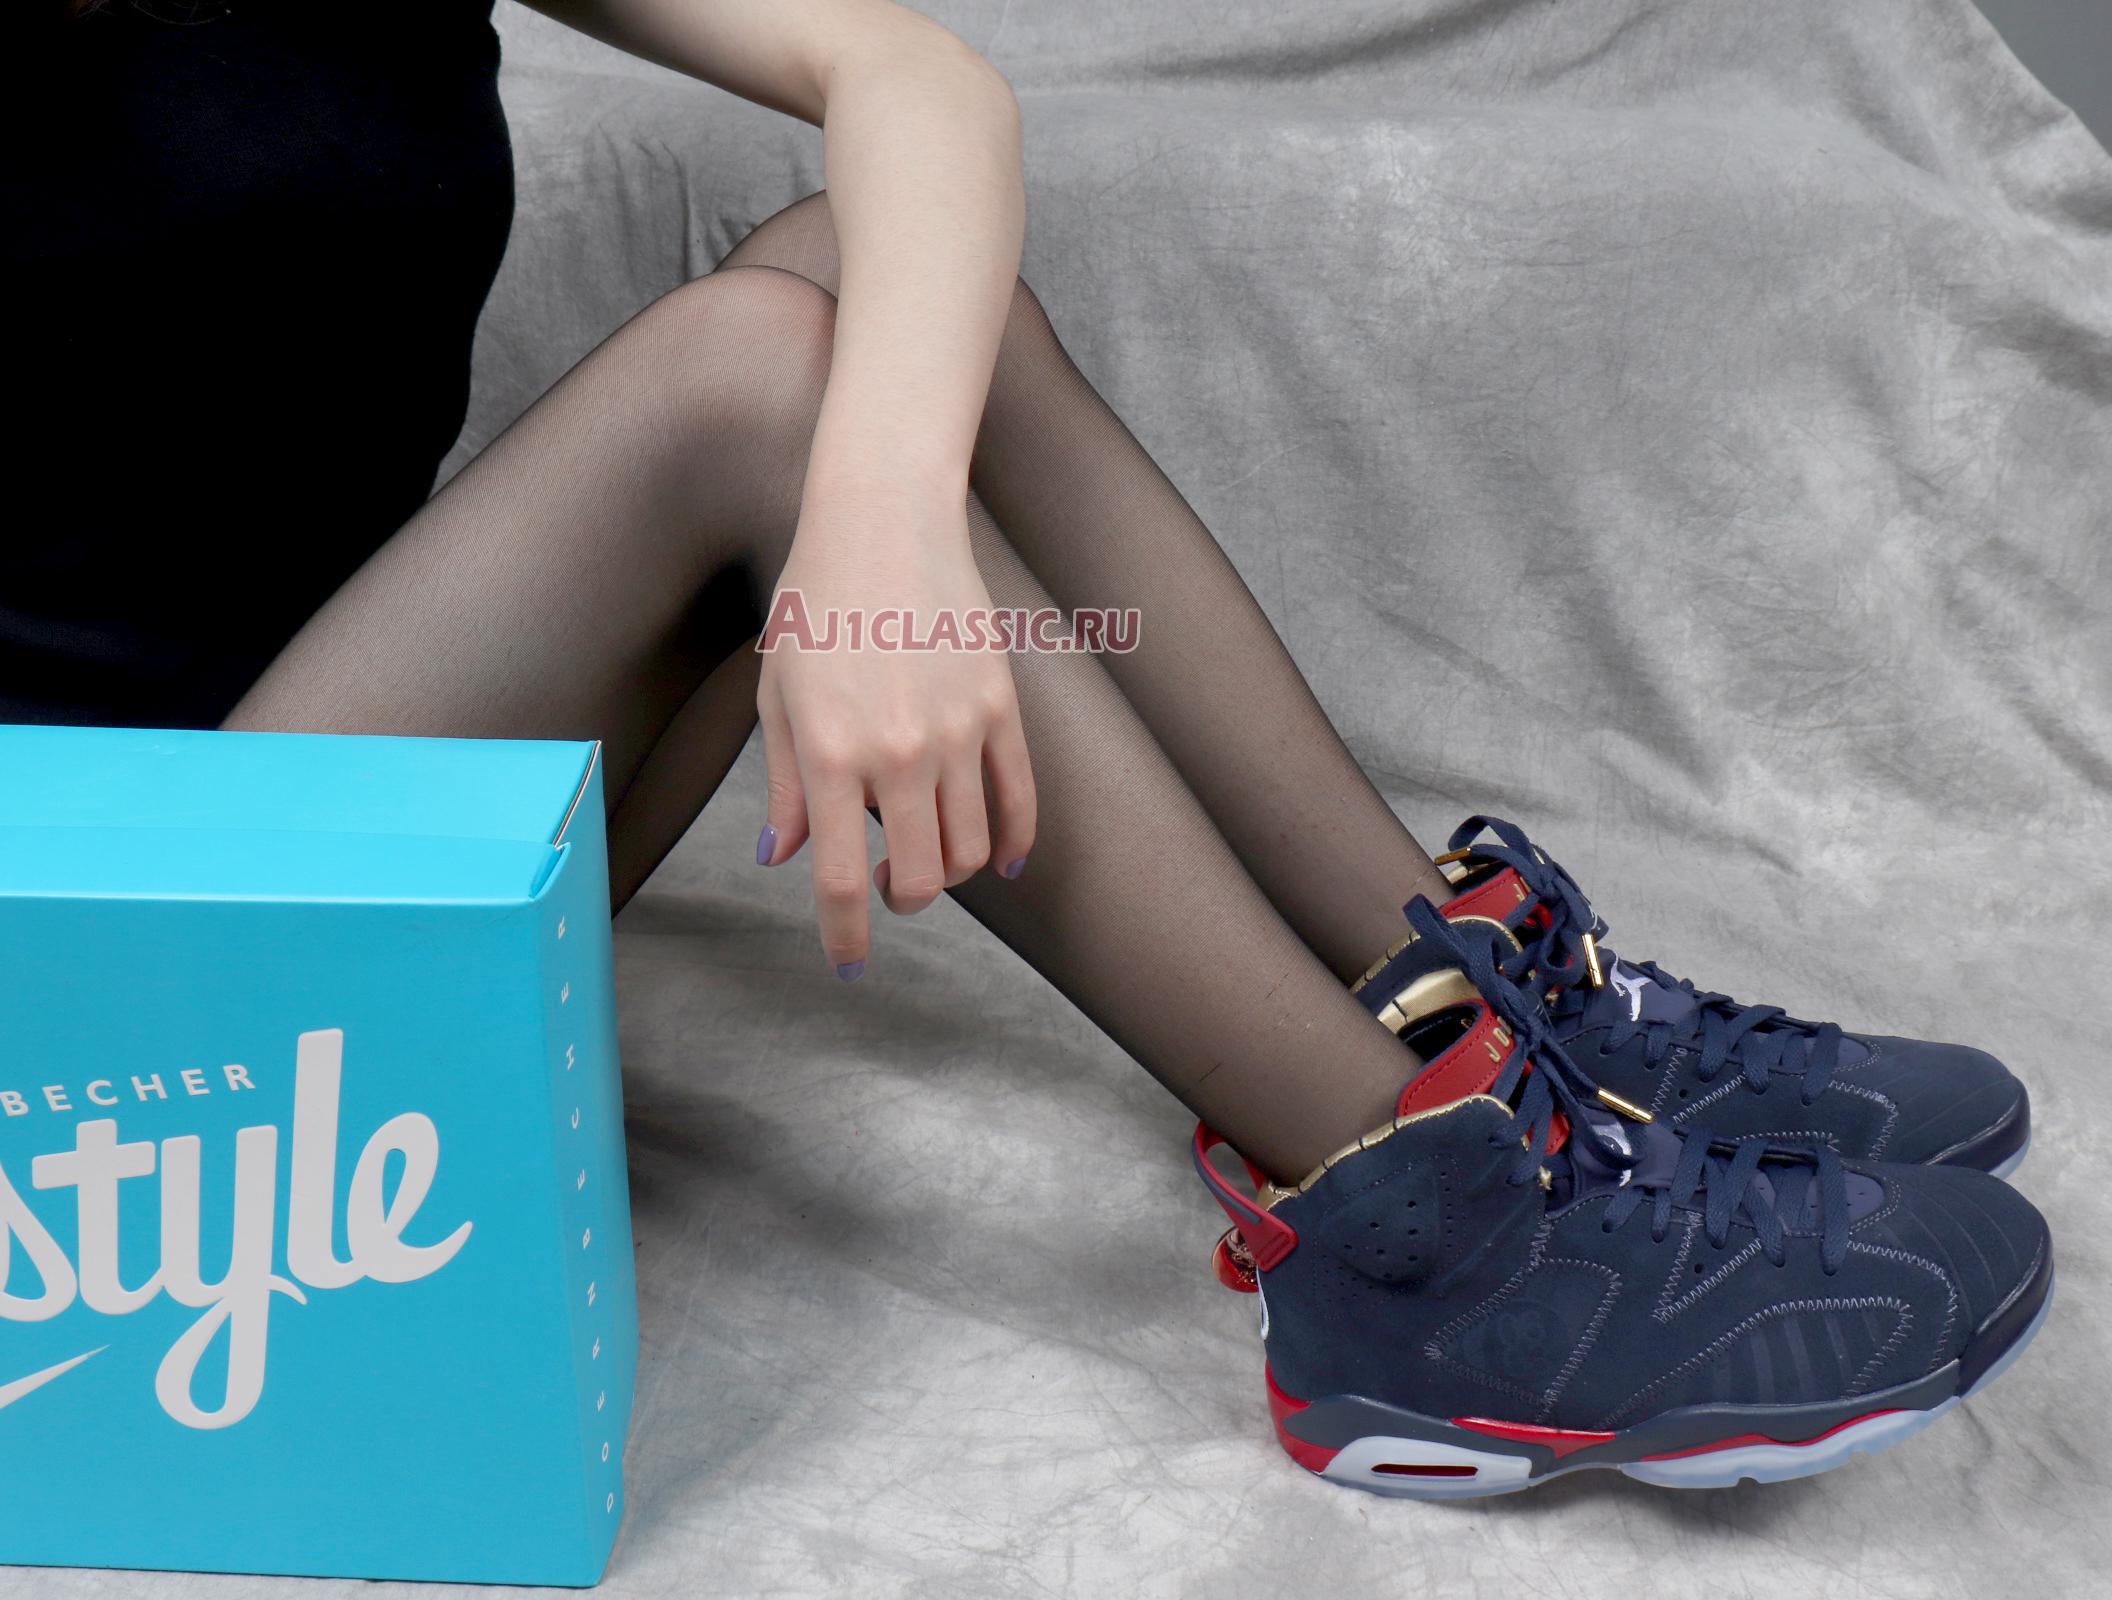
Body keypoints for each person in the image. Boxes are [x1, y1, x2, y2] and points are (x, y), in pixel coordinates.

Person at [16, 0, 2048, 1495]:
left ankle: (1468, 1000)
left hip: (341, 829)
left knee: (872, 283)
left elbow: (914, 79)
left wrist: (881, 520)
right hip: (82, 1018)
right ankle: (1436, 1246)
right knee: (749, 381)